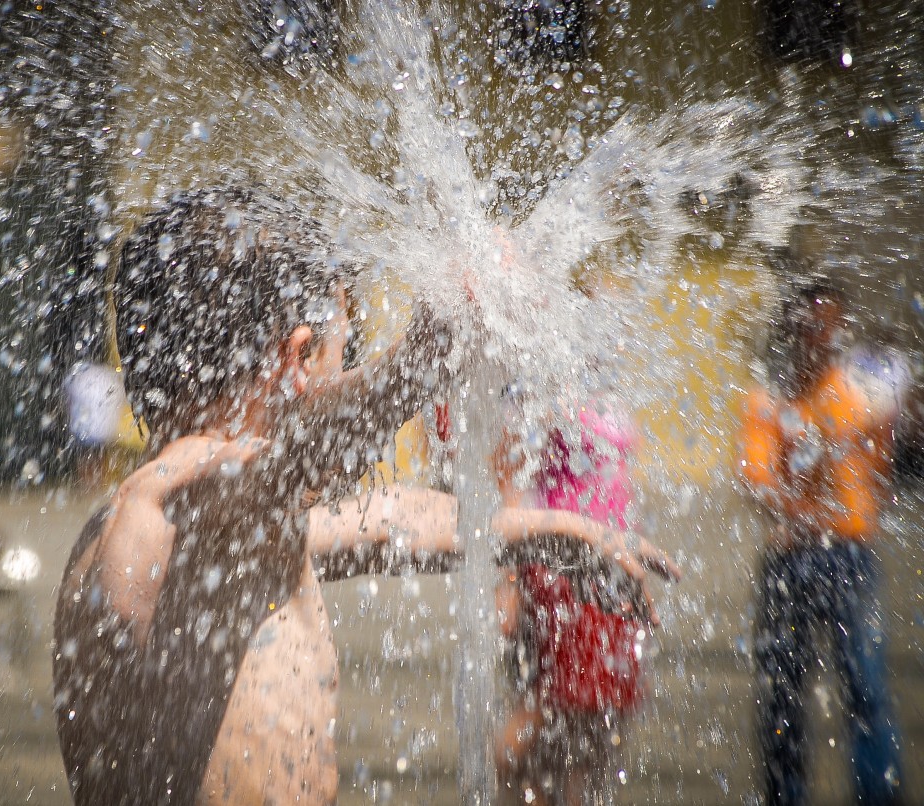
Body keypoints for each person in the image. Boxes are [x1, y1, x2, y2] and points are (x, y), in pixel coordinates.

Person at [52, 187, 678, 806]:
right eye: (341, 355)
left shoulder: (231, 534)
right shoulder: (178, 501)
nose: (342, 374)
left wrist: (558, 534)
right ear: (295, 360)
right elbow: (287, 462)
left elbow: (384, 518)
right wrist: (424, 357)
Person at [738, 279, 904, 805]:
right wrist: (804, 511)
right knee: (784, 696)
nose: (821, 333)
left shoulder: (855, 394)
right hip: (791, 561)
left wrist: (853, 506)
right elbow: (756, 481)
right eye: (811, 322)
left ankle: (879, 795)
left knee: (865, 690)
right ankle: (787, 796)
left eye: (830, 323)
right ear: (792, 327)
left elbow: (879, 464)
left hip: (851, 555)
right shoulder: (771, 398)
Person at [493, 391, 659, 805]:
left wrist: (638, 564)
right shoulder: (542, 373)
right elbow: (509, 473)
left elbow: (620, 485)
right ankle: (504, 789)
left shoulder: (607, 378)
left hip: (615, 570)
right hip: (563, 570)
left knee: (604, 716)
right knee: (552, 708)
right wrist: (510, 580)